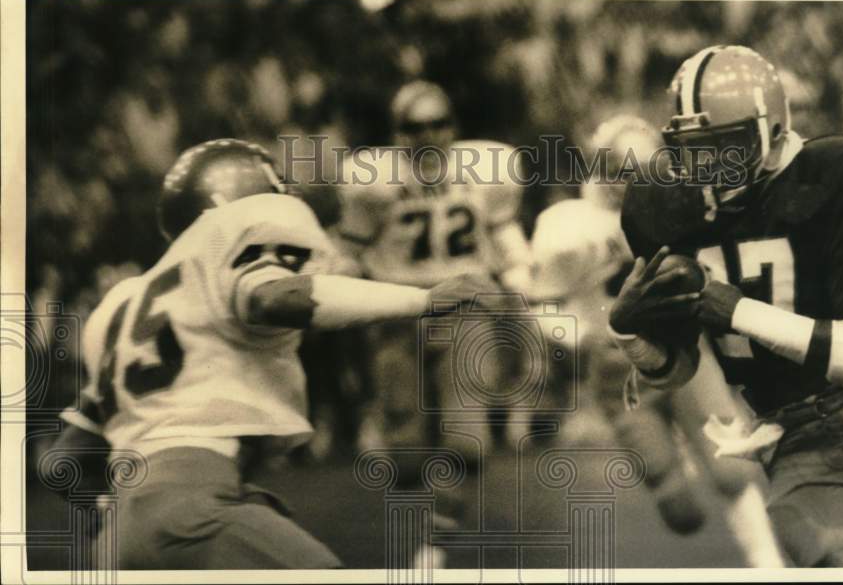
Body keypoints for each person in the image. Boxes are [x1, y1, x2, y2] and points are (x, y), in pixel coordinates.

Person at [613, 45, 843, 567]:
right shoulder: (662, 209)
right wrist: (633, 337)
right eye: (694, 149)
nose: (710, 168)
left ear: (772, 129)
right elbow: (678, 365)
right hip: (797, 448)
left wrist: (737, 310)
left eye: (727, 146)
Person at [46, 139, 497, 569]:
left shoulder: (121, 304)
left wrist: (120, 518)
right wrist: (421, 299)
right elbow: (274, 298)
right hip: (197, 504)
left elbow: (62, 462)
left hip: (119, 536)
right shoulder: (227, 258)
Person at [530, 114, 783, 566]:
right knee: (681, 512)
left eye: (651, 171)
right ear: (603, 173)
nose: (641, 183)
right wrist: (584, 338)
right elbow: (544, 307)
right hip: (619, 371)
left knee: (730, 468)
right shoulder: (572, 227)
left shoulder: (684, 211)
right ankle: (674, 465)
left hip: (684, 351)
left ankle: (769, 565)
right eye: (628, 173)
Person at [335, 80, 532, 567]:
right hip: (394, 310)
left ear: (453, 127)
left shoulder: (486, 168)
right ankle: (412, 478)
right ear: (397, 133)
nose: (428, 136)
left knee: (466, 437)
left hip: (465, 304)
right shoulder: (370, 179)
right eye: (414, 127)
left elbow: (505, 235)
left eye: (437, 123)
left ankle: (436, 543)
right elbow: (351, 248)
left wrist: (524, 279)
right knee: (404, 454)